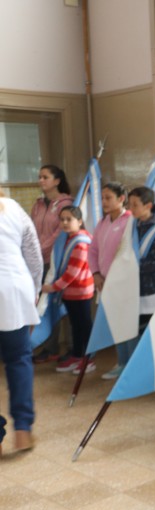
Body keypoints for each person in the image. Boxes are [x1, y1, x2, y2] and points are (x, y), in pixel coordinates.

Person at [0, 186, 42, 453]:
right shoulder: (13, 209)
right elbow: (34, 256)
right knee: (18, 360)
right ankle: (23, 430)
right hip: (13, 292)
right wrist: (34, 292)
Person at [41, 206, 95, 374]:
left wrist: (53, 287)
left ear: (79, 221)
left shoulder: (80, 243)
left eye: (69, 219)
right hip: (70, 293)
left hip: (80, 291)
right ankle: (78, 356)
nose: (64, 222)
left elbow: (72, 272)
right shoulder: (68, 239)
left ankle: (88, 360)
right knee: (76, 326)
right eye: (62, 219)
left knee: (84, 326)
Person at [120, 187, 155, 365]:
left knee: (152, 332)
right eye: (129, 204)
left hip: (152, 290)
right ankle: (140, 367)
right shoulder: (134, 226)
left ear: (148, 205)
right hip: (135, 289)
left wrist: (131, 267)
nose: (130, 208)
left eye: (135, 204)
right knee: (138, 331)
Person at [30, 165, 73, 363]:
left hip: (56, 261)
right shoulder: (38, 204)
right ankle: (50, 346)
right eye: (39, 177)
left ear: (57, 180)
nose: (41, 180)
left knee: (60, 303)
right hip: (38, 262)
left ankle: (73, 349)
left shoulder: (66, 203)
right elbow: (30, 230)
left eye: (45, 177)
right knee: (43, 304)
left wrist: (38, 250)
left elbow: (59, 233)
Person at [89, 182, 132, 379]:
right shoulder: (102, 222)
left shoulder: (129, 221)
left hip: (123, 284)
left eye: (109, 198)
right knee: (116, 325)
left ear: (121, 199)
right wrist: (96, 273)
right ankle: (121, 362)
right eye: (103, 197)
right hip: (104, 283)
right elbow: (93, 250)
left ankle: (129, 366)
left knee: (127, 325)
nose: (104, 202)